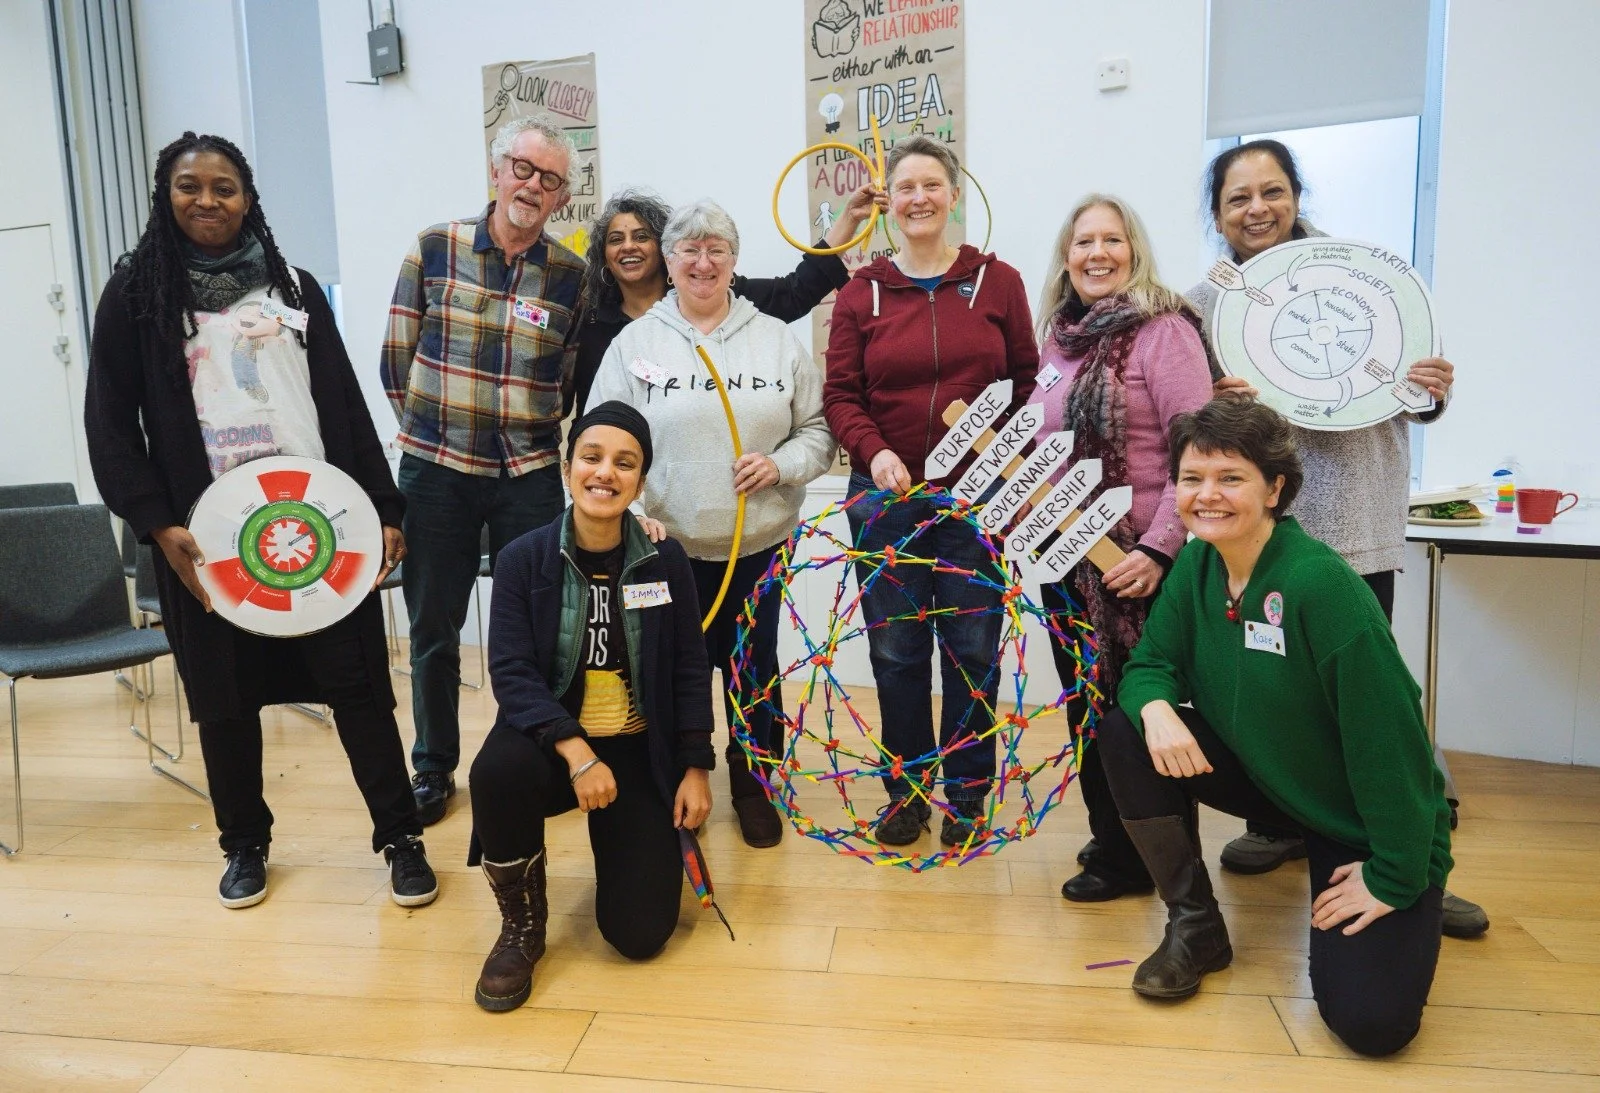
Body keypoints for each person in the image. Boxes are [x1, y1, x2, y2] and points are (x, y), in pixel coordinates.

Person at [85, 132, 438, 910]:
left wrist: (381, 508)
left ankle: (400, 837)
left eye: (224, 187)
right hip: (203, 542)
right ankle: (244, 844)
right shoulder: (136, 297)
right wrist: (153, 523)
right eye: (189, 186)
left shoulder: (297, 289)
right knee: (224, 701)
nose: (207, 200)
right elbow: (111, 424)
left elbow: (344, 404)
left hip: (320, 529)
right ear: (164, 194)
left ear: (249, 198)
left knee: (360, 690)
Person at [1187, 139, 1487, 939]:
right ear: (1216, 215)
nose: (1256, 208)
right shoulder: (1202, 302)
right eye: (1237, 197)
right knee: (1264, 682)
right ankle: (1284, 822)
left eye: (1271, 191)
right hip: (1257, 537)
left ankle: (1412, 854)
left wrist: (1429, 391)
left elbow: (1410, 390)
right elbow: (1190, 426)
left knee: (1370, 701)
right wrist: (1211, 398)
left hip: (1355, 520)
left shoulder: (1369, 280)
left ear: (1294, 194)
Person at [1101, 396, 1450, 1057]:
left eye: (1230, 477)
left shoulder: (1319, 584)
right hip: (1275, 780)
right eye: (1192, 477)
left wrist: (1396, 875)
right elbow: (1149, 665)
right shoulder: (1200, 565)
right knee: (1124, 730)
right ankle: (1196, 925)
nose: (1207, 495)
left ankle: (1423, 893)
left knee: (1374, 1025)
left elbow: (1393, 747)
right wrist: (1153, 709)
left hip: (1362, 816)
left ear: (1275, 488)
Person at [589, 201, 836, 848]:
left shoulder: (776, 338)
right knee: (667, 671)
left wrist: (781, 465)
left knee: (753, 669)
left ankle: (754, 784)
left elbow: (818, 431)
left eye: (717, 249)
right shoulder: (634, 343)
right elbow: (600, 439)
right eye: (689, 250)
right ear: (669, 263)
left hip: (757, 546)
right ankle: (677, 784)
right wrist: (635, 514)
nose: (703, 262)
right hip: (662, 552)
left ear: (734, 260)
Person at [823, 135, 1039, 847]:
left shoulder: (998, 282)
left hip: (976, 502)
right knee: (896, 651)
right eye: (905, 186)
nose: (919, 197)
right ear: (890, 201)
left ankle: (968, 792)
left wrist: (999, 457)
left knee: (973, 647)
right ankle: (907, 790)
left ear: (953, 194)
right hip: (885, 501)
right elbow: (841, 396)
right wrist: (876, 450)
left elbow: (1027, 383)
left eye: (931, 185)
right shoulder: (862, 291)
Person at [467, 402, 713, 1012]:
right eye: (592, 457)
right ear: (568, 467)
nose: (605, 473)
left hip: (635, 745)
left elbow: (687, 667)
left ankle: (632, 851)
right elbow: (512, 673)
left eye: (624, 463)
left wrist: (696, 766)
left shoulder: (666, 560)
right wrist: (577, 753)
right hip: (554, 741)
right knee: (495, 772)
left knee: (639, 937)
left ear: (640, 479)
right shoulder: (524, 557)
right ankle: (522, 925)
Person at [382, 114, 586, 826]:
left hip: (528, 472)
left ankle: (527, 753)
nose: (533, 185)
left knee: (534, 627)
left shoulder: (570, 274)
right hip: (437, 470)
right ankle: (433, 767)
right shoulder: (433, 247)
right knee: (433, 626)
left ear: (562, 196)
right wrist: (439, 429)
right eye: (523, 169)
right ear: (498, 171)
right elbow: (395, 358)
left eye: (549, 178)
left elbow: (565, 381)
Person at [1025, 195, 1213, 902]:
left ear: (1133, 248)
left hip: (1140, 565)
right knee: (1086, 706)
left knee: (1141, 713)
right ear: (1066, 256)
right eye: (1083, 241)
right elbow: (1046, 444)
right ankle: (1117, 837)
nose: (1097, 253)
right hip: (1069, 562)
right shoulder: (1059, 338)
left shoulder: (1164, 333)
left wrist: (1161, 549)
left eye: (1112, 239)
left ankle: (1157, 858)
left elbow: (1196, 456)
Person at [573, 183, 884, 417]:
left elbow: (796, 291)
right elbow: (592, 410)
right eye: (616, 240)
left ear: (663, 250)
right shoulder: (591, 323)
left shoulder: (724, 297)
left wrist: (849, 218)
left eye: (641, 237)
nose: (629, 247)